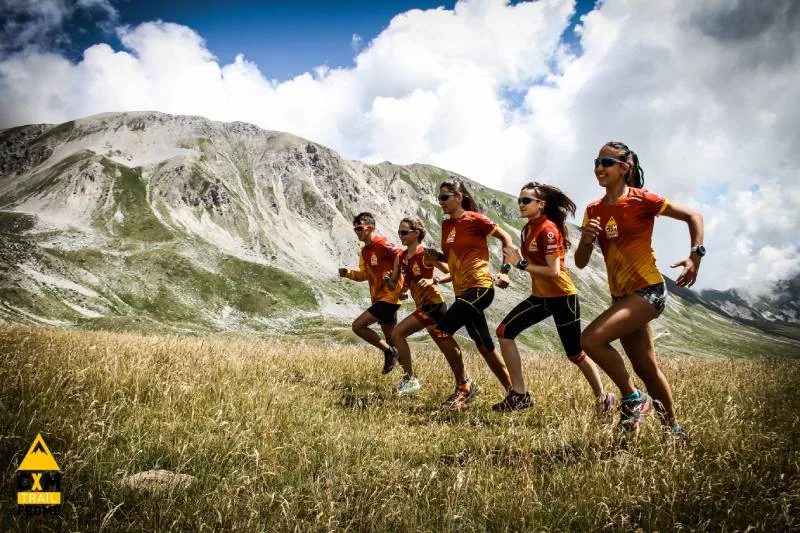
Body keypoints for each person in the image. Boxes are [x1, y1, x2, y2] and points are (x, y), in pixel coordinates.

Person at [576, 141, 704, 433]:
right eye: (596, 162)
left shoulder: (642, 199)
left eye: (606, 162)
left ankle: (633, 398)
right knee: (646, 368)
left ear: (624, 167)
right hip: (622, 296)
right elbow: (581, 263)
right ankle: (674, 430)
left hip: (649, 290)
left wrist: (695, 256)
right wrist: (586, 240)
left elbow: (693, 216)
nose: (599, 168)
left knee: (590, 340)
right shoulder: (593, 209)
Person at [492, 182, 616, 416]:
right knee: (504, 332)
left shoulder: (548, 229)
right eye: (519, 200)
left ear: (541, 204)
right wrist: (506, 271)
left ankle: (603, 398)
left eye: (526, 200)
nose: (521, 204)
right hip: (540, 297)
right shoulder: (527, 229)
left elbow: (554, 271)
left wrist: (521, 265)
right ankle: (519, 395)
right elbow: (514, 255)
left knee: (575, 354)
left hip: (562, 297)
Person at [424, 178, 514, 410]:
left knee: (441, 332)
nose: (441, 201)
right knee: (484, 346)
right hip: (462, 291)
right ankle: (515, 394)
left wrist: (504, 271)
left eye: (444, 197)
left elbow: (506, 238)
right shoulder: (446, 225)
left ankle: (464, 386)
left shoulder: (475, 219)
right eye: (439, 198)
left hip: (480, 287)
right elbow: (456, 255)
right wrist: (438, 257)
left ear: (458, 197)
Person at [383, 217, 458, 395]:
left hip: (434, 305)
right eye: (399, 232)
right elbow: (393, 286)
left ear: (416, 234)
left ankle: (410, 379)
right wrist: (389, 282)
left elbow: (453, 273)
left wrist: (435, 280)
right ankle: (465, 382)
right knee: (446, 348)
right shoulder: (400, 257)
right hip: (425, 306)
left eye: (404, 232)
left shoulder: (426, 254)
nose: (400, 235)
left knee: (397, 334)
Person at [339, 212, 404, 374]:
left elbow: (403, 258)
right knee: (392, 340)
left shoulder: (382, 244)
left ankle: (388, 352)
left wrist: (403, 285)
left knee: (357, 326)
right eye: (355, 229)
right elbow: (364, 275)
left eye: (359, 228)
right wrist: (348, 273)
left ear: (370, 228)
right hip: (379, 299)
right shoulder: (364, 252)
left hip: (389, 297)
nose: (357, 232)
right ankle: (408, 375)